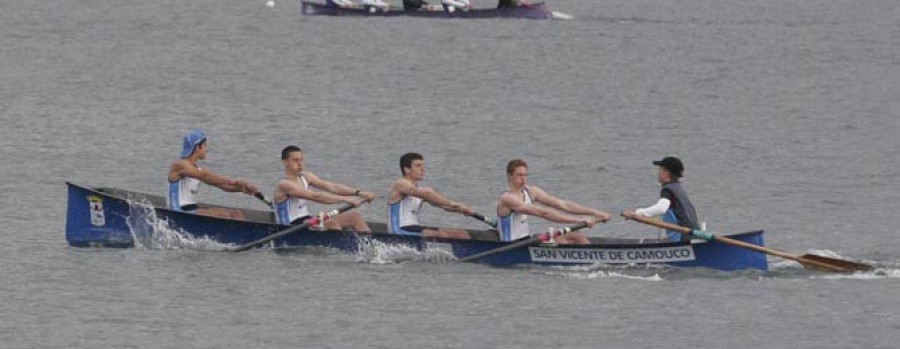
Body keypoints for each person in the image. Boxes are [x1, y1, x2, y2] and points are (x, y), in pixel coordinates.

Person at [496, 159, 611, 245]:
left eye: (525, 175)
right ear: (509, 176)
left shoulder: (531, 191)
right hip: (512, 245)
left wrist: (596, 213)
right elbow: (542, 213)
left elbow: (563, 205)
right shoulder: (507, 198)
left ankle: (593, 261)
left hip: (526, 240)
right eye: (519, 175)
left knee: (576, 236)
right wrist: (580, 220)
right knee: (574, 236)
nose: (524, 179)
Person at [273, 145, 375, 232]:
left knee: (354, 217)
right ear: (285, 162)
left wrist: (359, 193)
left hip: (307, 220)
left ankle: (371, 246)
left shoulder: (306, 176)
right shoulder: (284, 184)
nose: (300, 163)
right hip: (290, 226)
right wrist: (347, 200)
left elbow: (332, 187)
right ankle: (344, 249)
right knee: (330, 223)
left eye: (301, 160)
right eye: (295, 160)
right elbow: (316, 196)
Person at [167, 129, 260, 220]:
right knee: (224, 216)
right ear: (197, 147)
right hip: (178, 211)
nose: (206, 149)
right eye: (205, 145)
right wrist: (233, 181)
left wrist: (242, 188)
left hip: (192, 208)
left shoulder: (197, 169)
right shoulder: (179, 165)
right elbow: (205, 176)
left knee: (237, 214)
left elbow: (222, 185)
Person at [387, 153, 475, 239]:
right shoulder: (400, 184)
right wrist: (454, 203)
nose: (422, 169)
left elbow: (443, 206)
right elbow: (427, 194)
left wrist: (461, 209)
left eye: (422, 166)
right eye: (418, 166)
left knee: (462, 234)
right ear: (407, 169)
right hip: (399, 231)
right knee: (441, 235)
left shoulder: (419, 190)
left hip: (414, 228)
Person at [621, 156, 700, 242]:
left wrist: (636, 213)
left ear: (666, 172)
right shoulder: (678, 188)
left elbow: (661, 208)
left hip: (682, 238)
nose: (658, 173)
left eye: (660, 170)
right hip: (694, 235)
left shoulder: (668, 190)